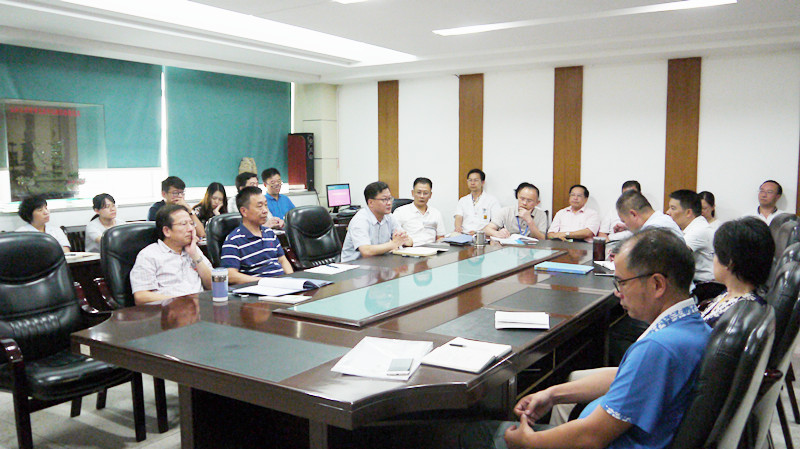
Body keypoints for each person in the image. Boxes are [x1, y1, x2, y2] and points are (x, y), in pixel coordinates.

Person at [460, 229, 711, 449]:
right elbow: (628, 377)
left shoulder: (659, 348)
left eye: (622, 282)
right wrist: (553, 394)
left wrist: (529, 442)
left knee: (473, 434)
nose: (617, 292)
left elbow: (591, 437)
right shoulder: (690, 326)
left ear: (657, 285)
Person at [130, 204, 212, 305]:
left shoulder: (194, 250)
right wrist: (181, 300)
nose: (191, 229)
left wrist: (194, 255)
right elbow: (141, 297)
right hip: (169, 311)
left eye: (191, 223)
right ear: (167, 231)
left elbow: (212, 285)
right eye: (183, 224)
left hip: (201, 308)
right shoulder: (149, 255)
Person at [701, 217, 773, 327]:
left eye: (715, 254)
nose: (714, 259)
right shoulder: (731, 292)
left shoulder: (742, 315)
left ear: (729, 262)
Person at [221, 186, 294, 284]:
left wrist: (291, 280)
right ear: (244, 211)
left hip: (282, 284)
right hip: (258, 288)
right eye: (259, 206)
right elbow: (230, 275)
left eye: (266, 205)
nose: (265, 210)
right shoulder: (233, 240)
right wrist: (264, 281)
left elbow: (282, 260)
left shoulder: (269, 233)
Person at [340, 181, 411, 262]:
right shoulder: (360, 220)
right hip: (354, 265)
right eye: (384, 199)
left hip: (379, 262)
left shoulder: (389, 217)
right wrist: (393, 244)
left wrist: (402, 239)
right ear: (371, 202)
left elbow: (409, 241)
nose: (389, 203)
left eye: (390, 198)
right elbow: (366, 251)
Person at [666, 189, 715, 282]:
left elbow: (673, 255)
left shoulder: (699, 229)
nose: (668, 212)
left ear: (688, 212)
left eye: (673, 208)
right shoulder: (688, 227)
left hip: (705, 285)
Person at [393, 177, 446, 246]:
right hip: (410, 249)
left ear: (430, 195)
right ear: (412, 193)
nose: (422, 196)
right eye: (419, 192)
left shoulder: (436, 213)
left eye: (425, 193)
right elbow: (393, 236)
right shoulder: (400, 212)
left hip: (432, 249)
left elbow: (440, 237)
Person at [615, 190, 684, 240]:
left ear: (633, 214)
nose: (626, 224)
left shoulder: (652, 233)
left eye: (624, 221)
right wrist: (627, 227)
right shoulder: (663, 220)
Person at [454, 168, 501, 235]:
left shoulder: (492, 200)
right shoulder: (463, 200)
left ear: (482, 182)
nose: (472, 183)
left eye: (476, 180)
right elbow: (458, 216)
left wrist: (478, 232)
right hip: (464, 234)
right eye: (470, 180)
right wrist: (458, 227)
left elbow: (496, 221)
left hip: (483, 235)